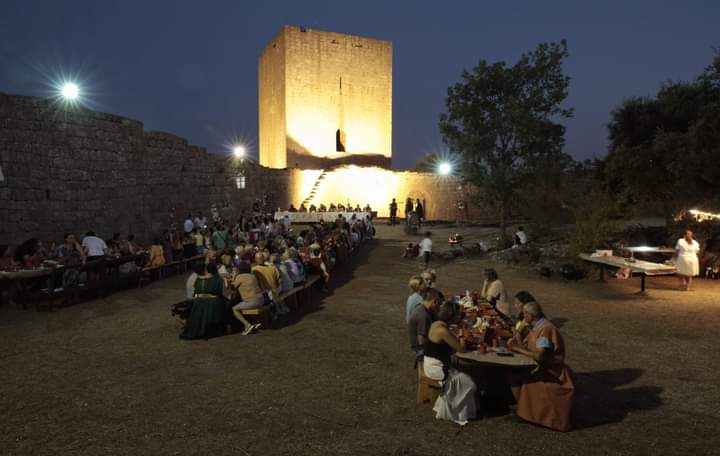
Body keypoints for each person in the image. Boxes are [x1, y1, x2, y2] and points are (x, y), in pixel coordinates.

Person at [508, 302, 574, 432]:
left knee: (514, 375)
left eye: (525, 314)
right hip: (541, 365)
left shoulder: (545, 329)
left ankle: (524, 412)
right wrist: (518, 334)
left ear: (529, 315)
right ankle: (523, 410)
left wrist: (516, 349)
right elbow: (526, 346)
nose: (523, 317)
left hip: (549, 370)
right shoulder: (537, 326)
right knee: (513, 373)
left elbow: (539, 356)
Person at [424, 300, 477, 425]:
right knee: (470, 384)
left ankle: (463, 410)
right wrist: (462, 335)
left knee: (467, 372)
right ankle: (454, 410)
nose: (460, 317)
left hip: (433, 361)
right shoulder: (442, 330)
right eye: (458, 315)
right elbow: (461, 349)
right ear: (451, 315)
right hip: (437, 367)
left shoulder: (437, 324)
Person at [180, 263, 235, 340]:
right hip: (213, 303)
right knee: (225, 303)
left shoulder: (199, 280)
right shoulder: (218, 279)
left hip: (198, 302)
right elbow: (225, 293)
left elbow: (195, 293)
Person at [408, 288, 443, 361]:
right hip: (421, 349)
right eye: (439, 304)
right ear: (435, 302)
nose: (439, 307)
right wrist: (424, 356)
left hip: (420, 347)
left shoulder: (421, 307)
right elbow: (421, 337)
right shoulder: (423, 315)